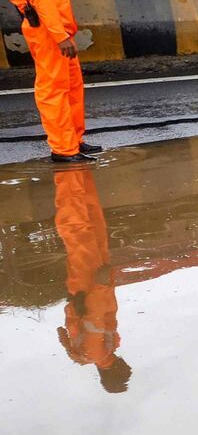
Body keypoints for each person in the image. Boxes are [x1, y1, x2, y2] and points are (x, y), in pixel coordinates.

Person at [3, 0, 98, 162]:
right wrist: (59, 36)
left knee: (72, 85)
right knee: (54, 89)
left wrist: (63, 32)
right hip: (47, 30)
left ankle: (74, 141)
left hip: (58, 28)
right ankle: (63, 149)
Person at [52, 165, 130, 393]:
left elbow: (94, 317)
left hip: (90, 284)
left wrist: (101, 285)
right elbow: (62, 332)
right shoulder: (85, 355)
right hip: (85, 287)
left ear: (117, 370)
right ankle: (80, 173)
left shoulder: (98, 352)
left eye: (125, 369)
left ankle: (69, 171)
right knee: (94, 226)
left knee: (78, 231)